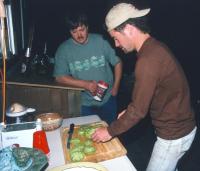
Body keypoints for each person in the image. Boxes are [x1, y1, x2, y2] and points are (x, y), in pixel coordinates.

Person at [92, 3, 197, 171]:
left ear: (129, 29)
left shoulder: (147, 59)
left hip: (174, 135)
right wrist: (131, 109)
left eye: (116, 38)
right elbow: (158, 92)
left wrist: (109, 131)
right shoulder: (155, 47)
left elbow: (139, 111)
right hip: (182, 128)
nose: (116, 44)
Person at [53, 12, 122, 124]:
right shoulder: (63, 49)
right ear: (69, 32)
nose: (79, 35)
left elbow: (117, 62)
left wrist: (116, 87)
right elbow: (59, 77)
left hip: (109, 99)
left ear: (87, 27)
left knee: (111, 132)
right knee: (88, 135)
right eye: (74, 32)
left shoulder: (101, 41)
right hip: (83, 103)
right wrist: (86, 84)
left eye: (82, 29)